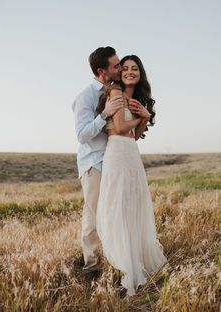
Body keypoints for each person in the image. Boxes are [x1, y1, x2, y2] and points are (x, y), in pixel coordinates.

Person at [96, 55, 169, 296]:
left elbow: (135, 135)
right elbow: (119, 128)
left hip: (130, 151)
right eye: (124, 68)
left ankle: (138, 257)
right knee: (119, 205)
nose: (129, 72)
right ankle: (124, 263)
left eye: (134, 69)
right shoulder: (116, 93)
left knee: (134, 205)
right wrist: (143, 116)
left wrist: (142, 119)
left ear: (140, 73)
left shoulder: (136, 98)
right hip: (116, 151)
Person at [72, 47, 124, 274]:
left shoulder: (117, 90)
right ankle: (91, 266)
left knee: (115, 212)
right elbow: (82, 135)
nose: (120, 68)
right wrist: (103, 115)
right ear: (102, 71)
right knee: (92, 215)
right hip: (94, 163)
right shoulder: (85, 96)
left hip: (113, 160)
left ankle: (118, 259)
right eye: (116, 65)